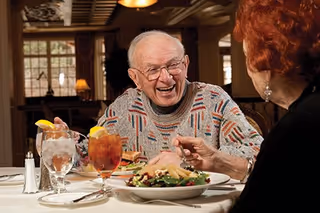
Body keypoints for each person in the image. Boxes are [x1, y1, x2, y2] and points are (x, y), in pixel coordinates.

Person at [55, 30, 263, 181]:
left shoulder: (213, 100)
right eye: (153, 69)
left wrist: (192, 161)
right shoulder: (124, 107)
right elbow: (92, 158)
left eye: (173, 65)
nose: (166, 78)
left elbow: (258, 153)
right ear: (135, 77)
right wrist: (64, 143)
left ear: (186, 65)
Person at [174, 0, 320, 212]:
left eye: (246, 56)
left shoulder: (296, 128)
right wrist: (219, 161)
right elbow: (283, 177)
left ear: (268, 63)